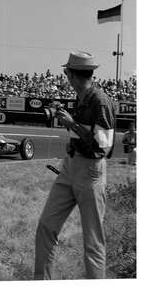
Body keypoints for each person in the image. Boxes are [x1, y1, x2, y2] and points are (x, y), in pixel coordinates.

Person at [34, 51, 116, 279]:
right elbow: (85, 133)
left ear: (72, 75)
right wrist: (70, 122)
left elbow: (104, 146)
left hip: (91, 172)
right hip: (71, 166)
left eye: (66, 72)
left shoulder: (100, 100)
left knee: (93, 241)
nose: (65, 76)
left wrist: (73, 124)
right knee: (46, 227)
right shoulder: (82, 96)